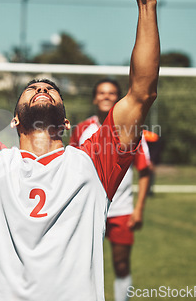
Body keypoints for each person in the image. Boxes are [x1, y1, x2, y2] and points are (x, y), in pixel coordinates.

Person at [0, 0, 159, 300]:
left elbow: (142, 93)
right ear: (14, 120)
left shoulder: (94, 163)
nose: (41, 88)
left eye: (51, 89)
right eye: (32, 87)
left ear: (66, 123)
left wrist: (147, 4)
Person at [70, 79, 152, 301]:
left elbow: (144, 171)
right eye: (102, 93)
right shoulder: (81, 130)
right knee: (78, 266)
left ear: (118, 98)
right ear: (95, 98)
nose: (106, 96)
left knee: (121, 264)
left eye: (111, 93)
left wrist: (139, 209)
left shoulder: (133, 129)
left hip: (122, 209)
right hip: (86, 210)